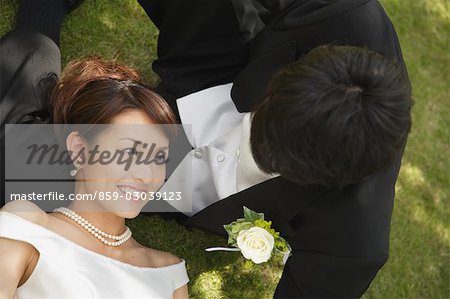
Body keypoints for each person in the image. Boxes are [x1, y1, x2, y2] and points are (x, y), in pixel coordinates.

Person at [137, 0, 412, 297]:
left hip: (205, 182)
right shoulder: (340, 9)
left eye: (274, 156)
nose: (258, 141)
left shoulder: (353, 243)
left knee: (83, 169)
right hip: (218, 68)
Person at [0, 2, 189, 299]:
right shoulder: (27, 224)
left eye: (159, 157)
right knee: (31, 51)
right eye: (130, 152)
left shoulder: (170, 270)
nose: (146, 174)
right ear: (79, 149)